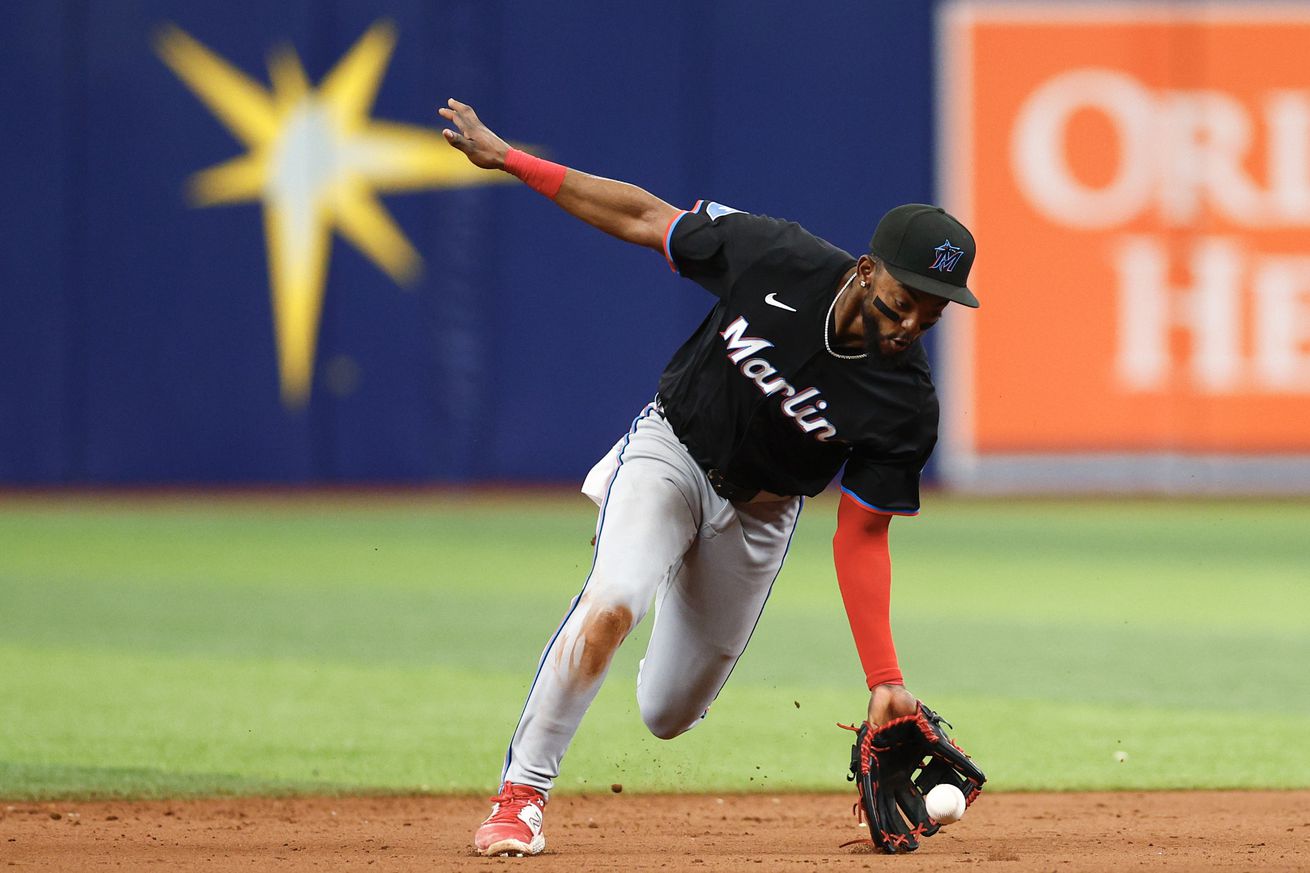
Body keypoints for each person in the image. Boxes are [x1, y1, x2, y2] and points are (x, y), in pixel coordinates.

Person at [437, 98, 980, 858]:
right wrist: (513, 160)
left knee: (667, 712)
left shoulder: (904, 404)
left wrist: (884, 675)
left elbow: (861, 535)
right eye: (903, 304)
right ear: (866, 271)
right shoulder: (774, 257)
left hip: (760, 516)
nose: (910, 327)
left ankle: (667, 582)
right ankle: (520, 795)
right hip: (672, 453)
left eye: (933, 315)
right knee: (614, 599)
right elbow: (640, 217)